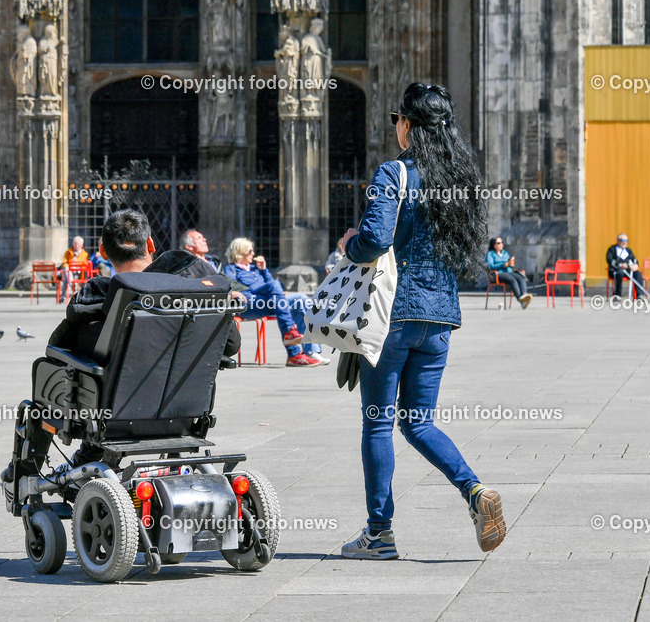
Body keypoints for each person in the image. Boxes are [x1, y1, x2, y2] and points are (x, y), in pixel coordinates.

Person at [339, 83, 504, 559]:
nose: (396, 127)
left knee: (377, 423)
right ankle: (474, 491)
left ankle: (379, 533)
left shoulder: (396, 172)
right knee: (419, 423)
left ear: (408, 125)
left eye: (398, 120)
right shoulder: (461, 180)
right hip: (438, 320)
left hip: (392, 316)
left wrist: (351, 242)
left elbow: (373, 238)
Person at [4, 210, 241, 477]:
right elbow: (231, 345)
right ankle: (90, 456)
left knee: (50, 378)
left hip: (115, 414)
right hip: (184, 411)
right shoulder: (195, 277)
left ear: (103, 252)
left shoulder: (99, 296)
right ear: (150, 244)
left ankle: (25, 472)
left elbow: (56, 347)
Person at [222, 238, 329, 367]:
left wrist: (264, 270)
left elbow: (270, 283)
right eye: (250, 250)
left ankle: (309, 351)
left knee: (302, 299)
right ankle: (292, 343)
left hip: (270, 301)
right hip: (250, 303)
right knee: (275, 286)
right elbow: (234, 288)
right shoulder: (231, 269)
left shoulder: (255, 269)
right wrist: (266, 291)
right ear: (240, 252)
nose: (253, 253)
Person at [486, 237, 532, 308]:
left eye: (501, 242)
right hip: (497, 274)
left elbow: (511, 266)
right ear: (494, 245)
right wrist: (503, 265)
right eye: (498, 243)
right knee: (512, 279)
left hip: (509, 272)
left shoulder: (505, 253)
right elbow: (490, 266)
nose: (501, 244)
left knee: (521, 277)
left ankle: (524, 295)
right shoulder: (490, 254)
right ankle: (520, 299)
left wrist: (511, 264)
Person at [606, 234, 643, 299]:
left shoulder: (628, 250)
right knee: (619, 273)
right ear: (618, 241)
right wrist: (620, 265)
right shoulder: (612, 249)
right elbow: (610, 260)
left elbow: (634, 260)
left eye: (626, 240)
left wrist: (635, 265)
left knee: (638, 274)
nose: (624, 242)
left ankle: (639, 295)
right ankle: (617, 295)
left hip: (628, 270)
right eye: (623, 240)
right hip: (616, 270)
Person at [59, 236, 90, 301]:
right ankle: (72, 285)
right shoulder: (68, 252)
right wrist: (69, 265)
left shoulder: (85, 254)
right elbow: (64, 262)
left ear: (81, 245)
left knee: (65, 278)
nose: (76, 245)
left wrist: (77, 266)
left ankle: (63, 296)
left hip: (79, 272)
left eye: (78, 244)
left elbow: (86, 265)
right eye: (75, 243)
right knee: (66, 271)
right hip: (70, 271)